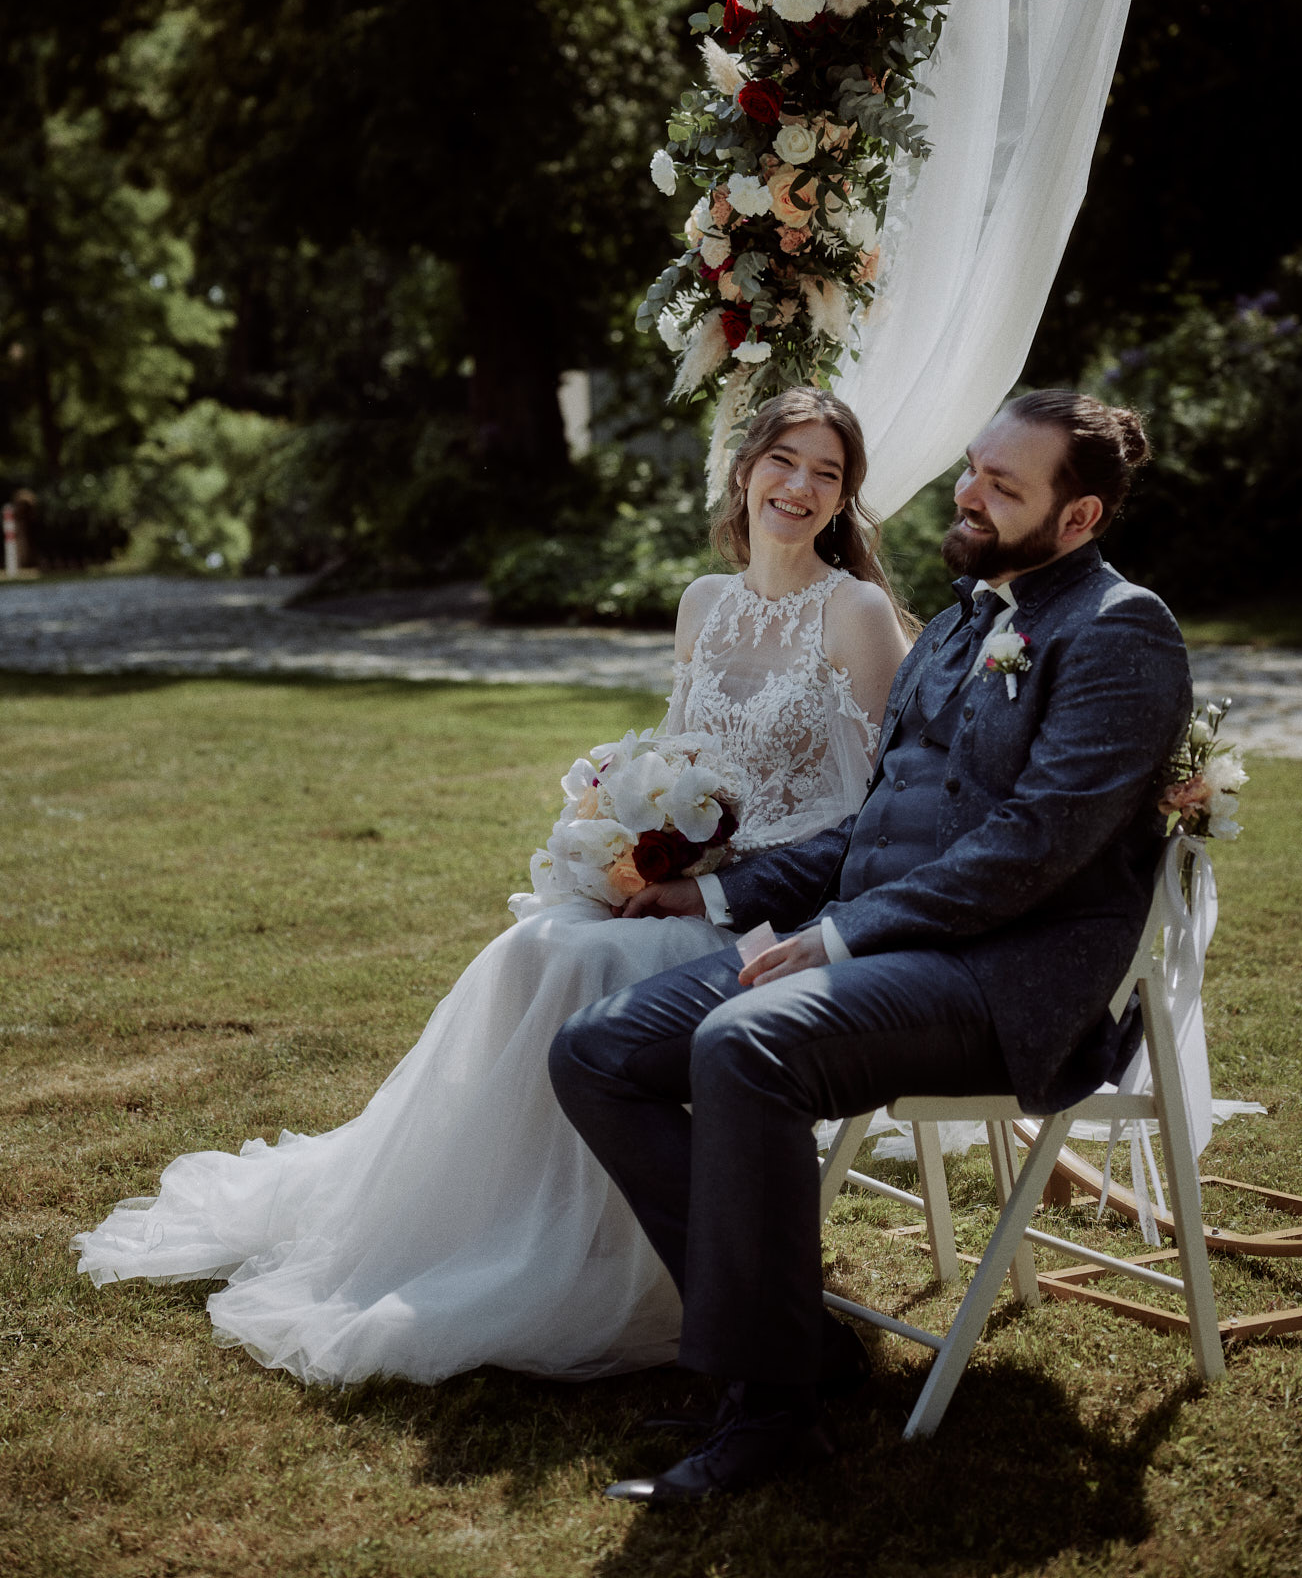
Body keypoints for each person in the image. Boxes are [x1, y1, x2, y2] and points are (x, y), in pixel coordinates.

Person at [73, 388, 910, 1387]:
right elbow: (682, 762)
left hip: (777, 906)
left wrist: (711, 894)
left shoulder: (855, 613)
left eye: (827, 473)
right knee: (535, 947)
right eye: (785, 460)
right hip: (685, 879)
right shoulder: (702, 602)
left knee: (581, 956)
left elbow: (876, 820)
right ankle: (494, 1229)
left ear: (844, 497)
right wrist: (634, 836)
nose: (800, 486)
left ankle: (593, 1262)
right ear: (745, 467)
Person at [550, 389, 1193, 1502]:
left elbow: (1033, 845)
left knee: (747, 1044)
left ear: (1079, 517)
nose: (970, 493)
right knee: (595, 1050)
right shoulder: (952, 623)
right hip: (897, 951)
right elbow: (870, 825)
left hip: (1008, 980)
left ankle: (768, 1415)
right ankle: (794, 1346)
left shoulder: (1118, 629)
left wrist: (840, 935)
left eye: (1006, 484)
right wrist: (714, 898)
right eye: (973, 468)